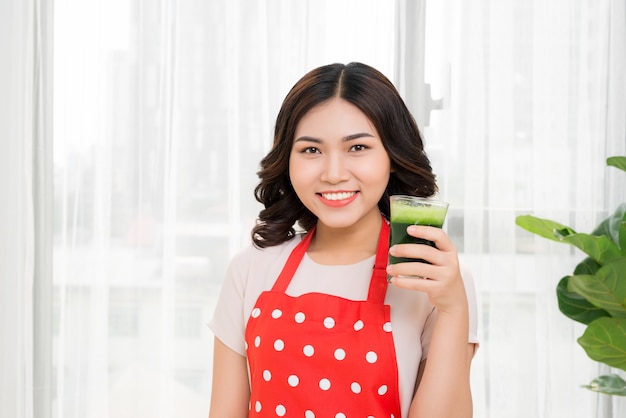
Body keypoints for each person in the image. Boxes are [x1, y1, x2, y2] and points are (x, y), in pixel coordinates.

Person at [208, 62, 478, 418]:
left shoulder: (432, 278)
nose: (334, 174)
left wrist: (454, 308)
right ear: (287, 160)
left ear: (392, 157)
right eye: (311, 151)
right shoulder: (250, 268)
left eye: (357, 148)